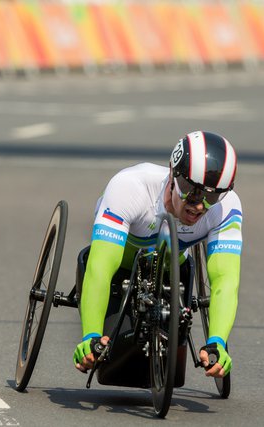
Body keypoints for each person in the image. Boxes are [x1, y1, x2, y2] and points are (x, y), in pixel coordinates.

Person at [73, 130, 242, 379]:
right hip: (120, 264)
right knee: (107, 355)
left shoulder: (226, 207)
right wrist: (90, 336)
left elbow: (225, 280)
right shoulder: (130, 187)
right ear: (172, 174)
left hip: (173, 266)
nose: (199, 205)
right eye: (191, 190)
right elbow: (100, 268)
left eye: (211, 196)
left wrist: (217, 341)